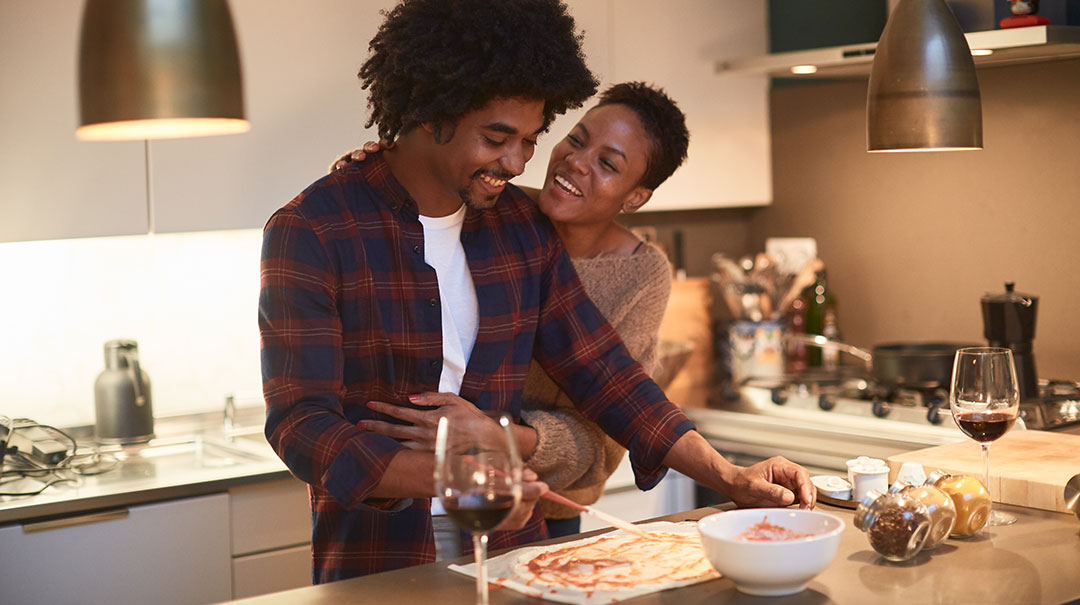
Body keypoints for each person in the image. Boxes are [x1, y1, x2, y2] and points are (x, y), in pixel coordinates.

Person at [260, 0, 814, 585]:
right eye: (499, 137)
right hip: (379, 557)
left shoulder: (516, 224)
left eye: (531, 139)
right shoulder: (313, 229)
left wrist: (729, 477)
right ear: (431, 111)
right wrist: (454, 475)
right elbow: (301, 426)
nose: (519, 161)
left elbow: (606, 374)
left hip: (514, 553)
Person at [343, 81, 690, 538]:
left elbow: (609, 424)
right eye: (577, 139)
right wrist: (380, 173)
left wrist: (498, 435)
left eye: (607, 164)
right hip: (432, 488)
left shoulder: (640, 275)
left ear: (636, 197)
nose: (577, 162)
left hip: (548, 502)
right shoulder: (495, 207)